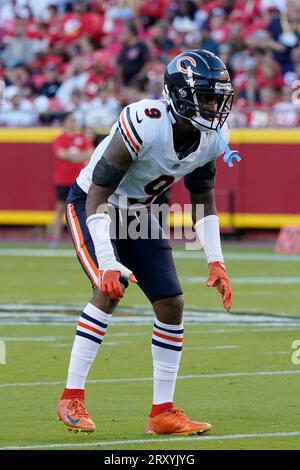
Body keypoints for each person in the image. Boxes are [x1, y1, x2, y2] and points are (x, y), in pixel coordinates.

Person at [56, 50, 234, 435]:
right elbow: (98, 195)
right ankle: (71, 396)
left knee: (171, 302)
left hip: (140, 214)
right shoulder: (144, 122)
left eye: (218, 97)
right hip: (93, 205)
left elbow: (203, 199)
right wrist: (107, 260)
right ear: (180, 94)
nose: (214, 105)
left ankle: (162, 412)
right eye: (205, 97)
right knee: (110, 288)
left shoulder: (211, 137)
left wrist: (215, 261)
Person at [50, 112, 92, 248]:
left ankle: (84, 240)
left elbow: (91, 152)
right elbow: (62, 154)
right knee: (60, 210)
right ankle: (55, 240)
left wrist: (73, 157)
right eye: (71, 120)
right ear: (64, 122)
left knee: (85, 210)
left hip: (79, 180)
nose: (73, 123)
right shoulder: (60, 139)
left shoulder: (81, 138)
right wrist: (80, 156)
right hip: (63, 180)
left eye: (74, 120)